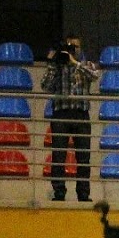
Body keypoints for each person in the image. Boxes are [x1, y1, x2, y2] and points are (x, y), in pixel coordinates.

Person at [41, 33, 99, 203]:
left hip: (81, 114)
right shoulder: (57, 66)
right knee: (58, 155)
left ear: (80, 49)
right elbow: (45, 86)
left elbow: (95, 75)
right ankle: (59, 192)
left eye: (75, 47)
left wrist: (74, 63)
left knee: (83, 157)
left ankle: (83, 193)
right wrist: (52, 64)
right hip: (60, 113)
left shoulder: (85, 64)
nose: (72, 50)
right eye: (69, 47)